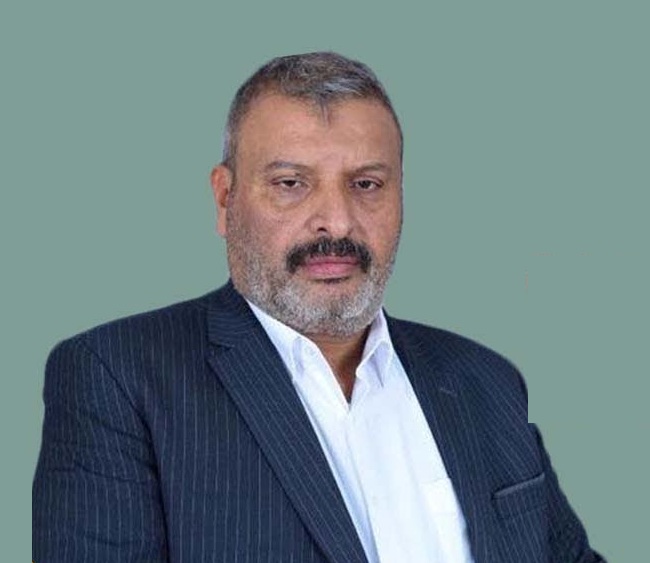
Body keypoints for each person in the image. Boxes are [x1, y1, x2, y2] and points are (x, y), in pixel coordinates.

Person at [32, 52, 605, 562]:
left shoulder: (485, 381)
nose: (337, 222)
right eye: (291, 183)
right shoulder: (119, 377)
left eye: (366, 184)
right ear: (226, 200)